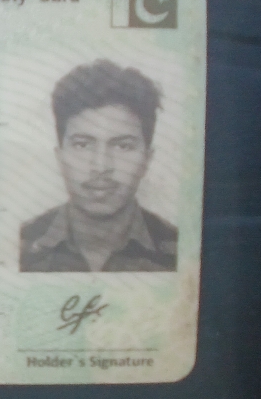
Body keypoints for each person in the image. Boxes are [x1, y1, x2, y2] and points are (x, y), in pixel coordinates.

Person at [20, 59, 177, 272]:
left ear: (147, 160)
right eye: (82, 145)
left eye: (123, 146)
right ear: (60, 156)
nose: (101, 166)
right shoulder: (20, 247)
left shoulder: (181, 251)